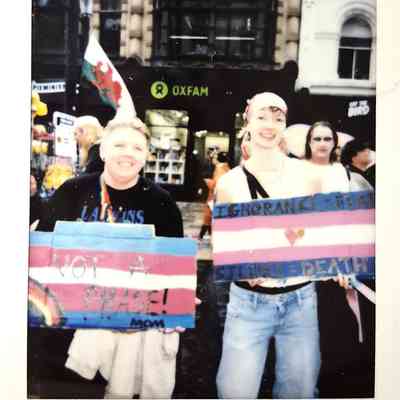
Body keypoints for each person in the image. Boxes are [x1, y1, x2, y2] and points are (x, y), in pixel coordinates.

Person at [34, 117, 185, 399]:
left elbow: (173, 269)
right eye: (119, 145)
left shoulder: (161, 202)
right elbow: (42, 251)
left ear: (146, 156)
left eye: (137, 148)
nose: (128, 153)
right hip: (68, 329)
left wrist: (181, 297)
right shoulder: (72, 191)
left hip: (128, 327)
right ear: (103, 151)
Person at [215, 92, 328, 399]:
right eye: (262, 116)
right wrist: (243, 266)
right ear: (247, 121)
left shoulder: (309, 176)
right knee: (235, 391)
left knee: (300, 390)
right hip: (249, 303)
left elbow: (321, 232)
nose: (270, 125)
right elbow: (224, 246)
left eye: (278, 119)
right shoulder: (230, 183)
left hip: (300, 301)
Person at [199, 152, 230, 240]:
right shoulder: (226, 167)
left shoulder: (219, 168)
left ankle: (203, 236)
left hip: (215, 196)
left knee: (208, 215)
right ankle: (207, 234)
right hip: (222, 196)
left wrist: (208, 182)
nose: (213, 159)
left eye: (215, 157)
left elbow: (216, 184)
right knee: (210, 216)